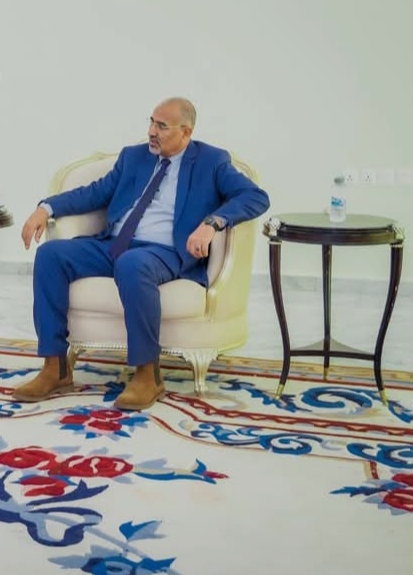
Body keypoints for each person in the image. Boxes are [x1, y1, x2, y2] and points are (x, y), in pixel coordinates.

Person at [14, 97, 270, 410]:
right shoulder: (133, 157)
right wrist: (46, 208)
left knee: (132, 264)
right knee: (50, 254)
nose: (151, 131)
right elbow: (94, 193)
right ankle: (55, 368)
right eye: (151, 122)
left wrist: (212, 223)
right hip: (113, 245)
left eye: (162, 126)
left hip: (166, 251)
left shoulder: (211, 161)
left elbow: (255, 196)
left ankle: (148, 375)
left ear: (186, 132)